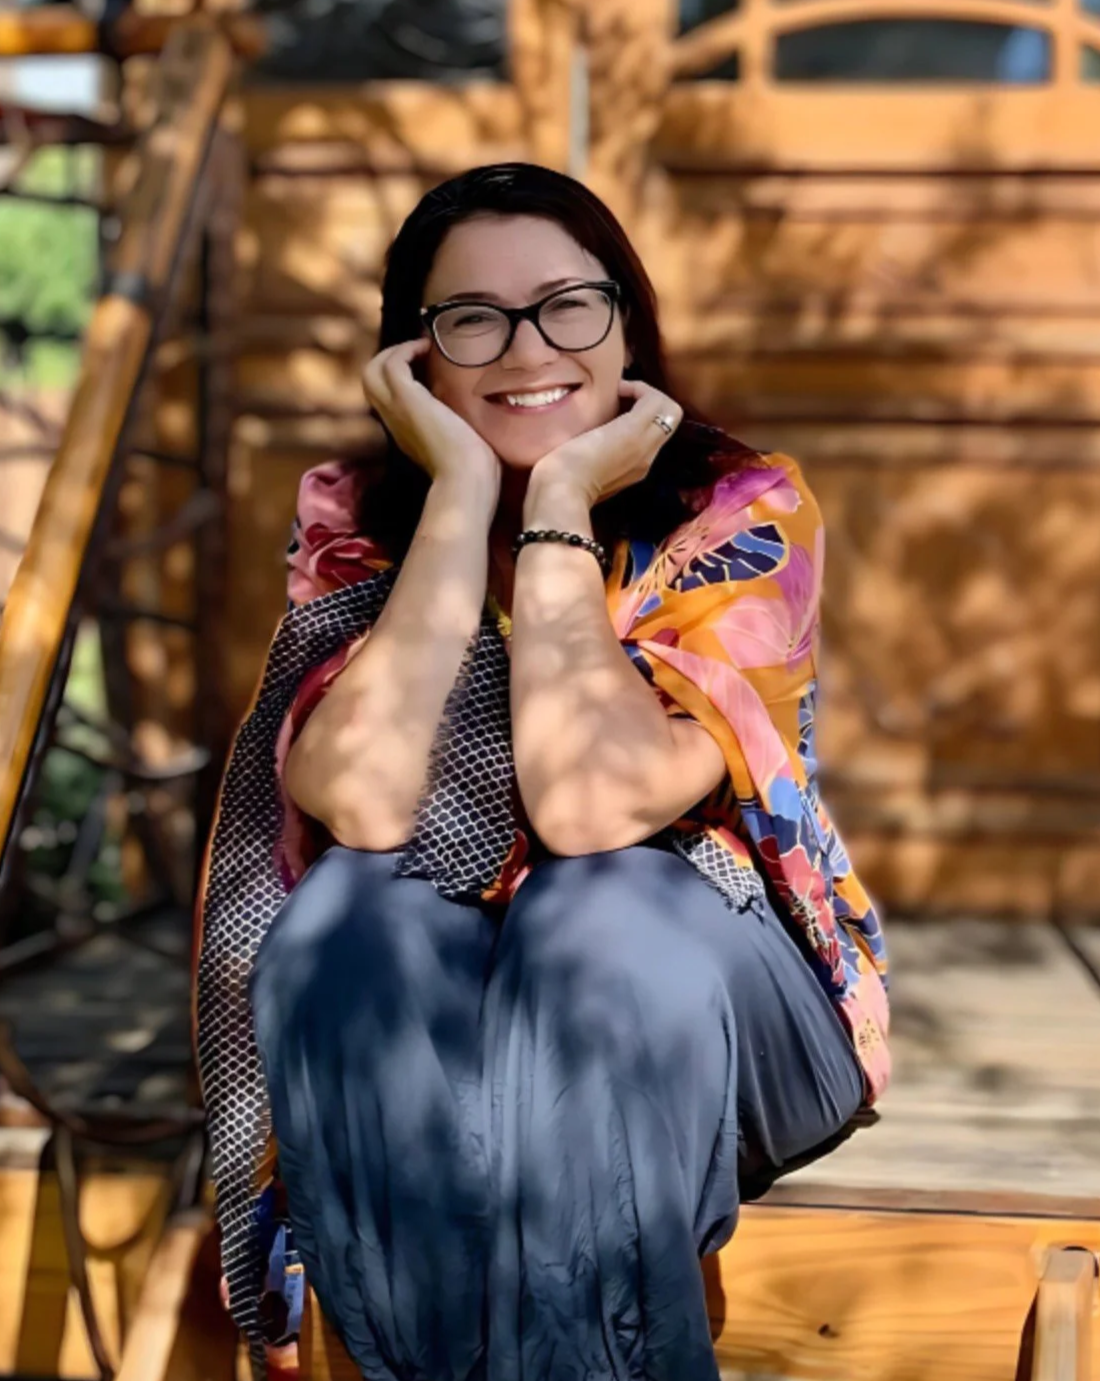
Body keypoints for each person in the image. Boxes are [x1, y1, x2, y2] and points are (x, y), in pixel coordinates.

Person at [194, 162, 891, 1381]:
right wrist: (463, 497)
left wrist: (563, 500)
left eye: (569, 305)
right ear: (416, 362)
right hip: (454, 1001)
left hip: (712, 1005)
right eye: (473, 319)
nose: (528, 350)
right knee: (339, 932)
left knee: (598, 912)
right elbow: (358, 796)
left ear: (628, 325)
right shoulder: (357, 515)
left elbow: (590, 805)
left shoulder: (737, 507)